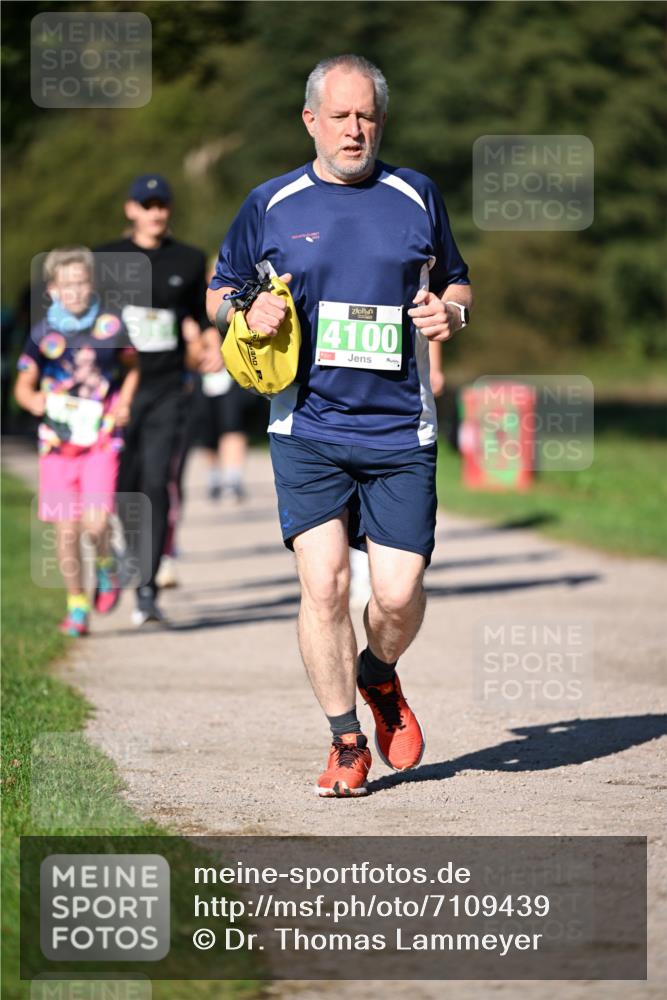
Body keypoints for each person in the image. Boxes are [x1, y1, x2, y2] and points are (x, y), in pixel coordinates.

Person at [207, 55, 472, 797]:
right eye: (341, 115)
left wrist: (449, 311)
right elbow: (217, 288)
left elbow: (455, 278)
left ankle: (378, 675)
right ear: (310, 120)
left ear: (379, 121)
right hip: (308, 425)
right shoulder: (272, 203)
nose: (354, 129)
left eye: (367, 116)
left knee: (395, 594)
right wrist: (241, 308)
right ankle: (345, 741)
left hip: (398, 432)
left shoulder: (416, 194)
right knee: (322, 584)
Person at [96, 174, 218, 624]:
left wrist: (211, 347)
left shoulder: (187, 259)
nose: (155, 212)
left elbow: (195, 315)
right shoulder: (105, 257)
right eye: (146, 205)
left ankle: (147, 587)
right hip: (114, 389)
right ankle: (129, 555)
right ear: (130, 210)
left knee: (155, 481)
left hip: (168, 387)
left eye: (162, 204)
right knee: (122, 486)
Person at [14, 246, 138, 636]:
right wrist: (31, 400)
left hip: (101, 438)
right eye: (66, 285)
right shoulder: (42, 334)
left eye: (81, 282)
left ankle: (105, 565)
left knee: (95, 523)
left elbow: (133, 367)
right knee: (66, 531)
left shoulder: (111, 326)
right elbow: (23, 383)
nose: (75, 291)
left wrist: (125, 404)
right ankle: (77, 605)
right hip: (57, 444)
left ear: (92, 284)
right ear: (52, 290)